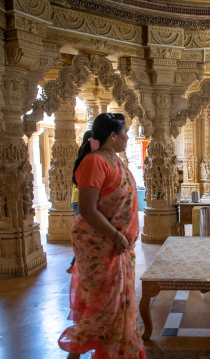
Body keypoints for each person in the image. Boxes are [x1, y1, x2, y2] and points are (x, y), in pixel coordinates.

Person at [58, 113, 146, 359]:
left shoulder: (115, 161)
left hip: (118, 248)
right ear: (113, 135)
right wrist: (117, 236)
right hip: (101, 246)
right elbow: (87, 209)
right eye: (125, 133)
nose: (128, 138)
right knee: (103, 306)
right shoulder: (95, 162)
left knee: (116, 306)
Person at [66, 130, 92, 274]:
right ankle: (76, 264)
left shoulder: (82, 156)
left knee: (88, 233)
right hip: (82, 200)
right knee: (89, 234)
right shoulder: (90, 159)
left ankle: (75, 264)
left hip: (77, 199)